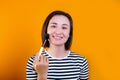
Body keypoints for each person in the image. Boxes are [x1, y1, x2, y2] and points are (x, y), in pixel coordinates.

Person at [26, 10, 89, 80]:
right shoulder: (34, 61)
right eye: (53, 26)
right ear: (46, 30)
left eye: (64, 27)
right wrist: (42, 74)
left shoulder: (81, 62)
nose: (58, 32)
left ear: (69, 34)